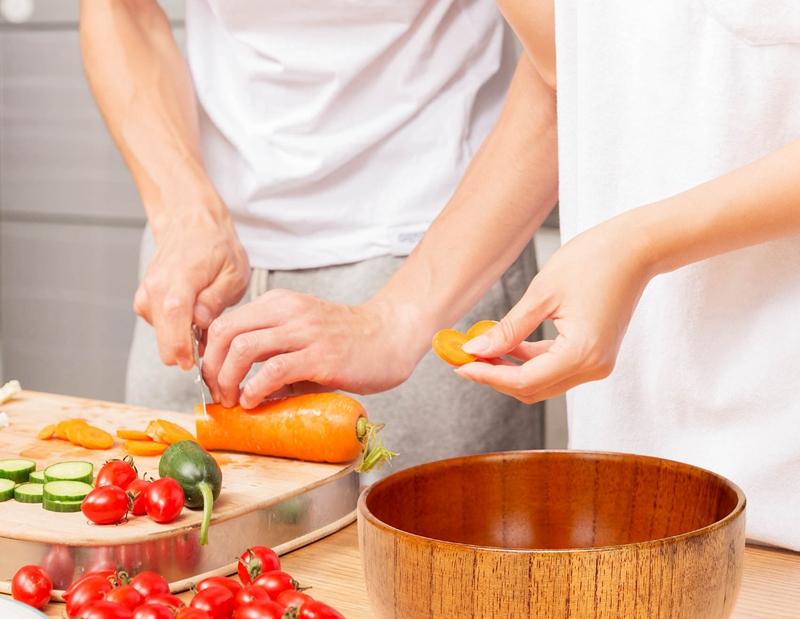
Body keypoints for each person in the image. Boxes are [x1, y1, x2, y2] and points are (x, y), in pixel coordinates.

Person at [202, 0, 800, 552]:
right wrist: (395, 318)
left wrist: (640, 246)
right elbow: (566, 76)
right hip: (637, 474)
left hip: (781, 480)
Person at [79, 0, 544, 472]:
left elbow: (572, 60)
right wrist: (181, 208)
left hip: (433, 268)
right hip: (195, 265)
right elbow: (120, 9)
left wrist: (395, 320)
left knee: (429, 545)